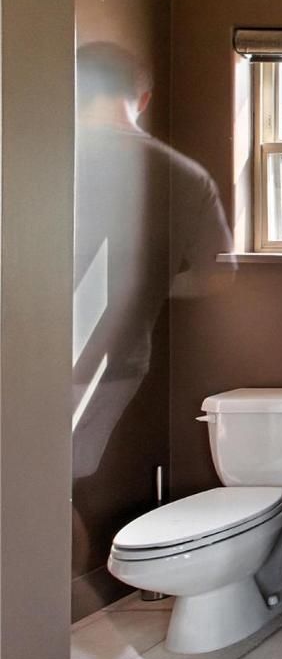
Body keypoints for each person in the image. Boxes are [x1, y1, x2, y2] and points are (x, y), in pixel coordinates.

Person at [72, 42, 233, 482]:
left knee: (28, 482)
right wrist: (144, 283)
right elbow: (217, 275)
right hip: (118, 360)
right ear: (142, 99)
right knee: (60, 479)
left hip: (30, 350)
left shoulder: (40, 160)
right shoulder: (187, 175)